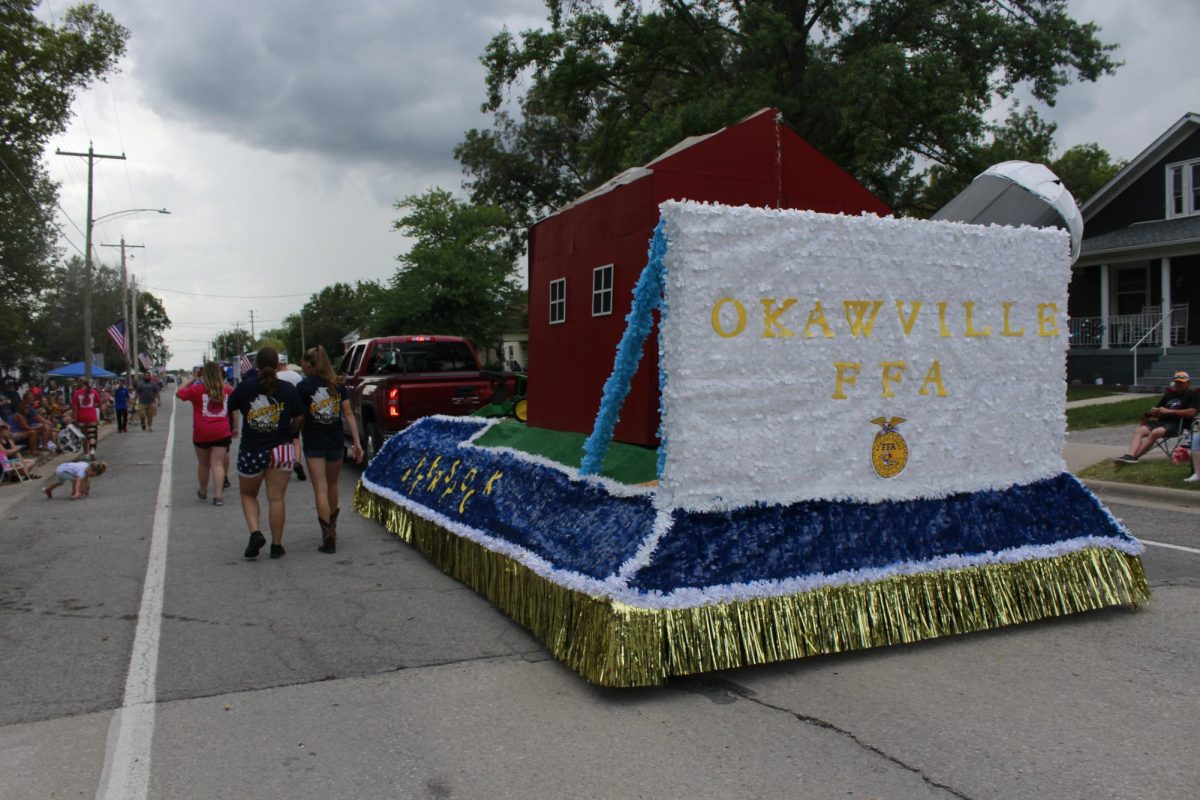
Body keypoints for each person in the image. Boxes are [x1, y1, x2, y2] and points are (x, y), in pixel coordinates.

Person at [229, 347, 304, 559]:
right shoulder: (288, 389)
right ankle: (276, 546)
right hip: (281, 448)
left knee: (248, 494)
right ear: (278, 363)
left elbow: (231, 405)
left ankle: (255, 532)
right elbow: (299, 416)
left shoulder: (246, 387)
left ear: (256, 365)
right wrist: (291, 432)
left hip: (252, 449)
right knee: (276, 498)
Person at [297, 345, 363, 553]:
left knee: (320, 488)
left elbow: (299, 416)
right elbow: (349, 414)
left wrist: (291, 434)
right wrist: (357, 442)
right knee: (333, 485)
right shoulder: (337, 385)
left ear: (309, 363)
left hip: (314, 441)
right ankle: (333, 528)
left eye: (304, 361)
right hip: (335, 440)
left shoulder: (304, 387)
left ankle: (327, 535)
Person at [177, 362, 235, 506]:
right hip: (222, 431)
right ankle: (218, 496)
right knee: (217, 463)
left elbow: (179, 393)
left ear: (203, 374)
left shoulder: (197, 389)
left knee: (204, 464)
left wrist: (193, 379)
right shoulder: (227, 389)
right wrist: (236, 427)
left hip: (202, 432)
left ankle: (203, 491)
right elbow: (235, 407)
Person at [1115, 371, 1200, 464]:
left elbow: (1192, 412)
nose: (1179, 385)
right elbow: (1159, 409)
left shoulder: (1193, 396)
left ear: (1188, 383)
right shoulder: (1169, 395)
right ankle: (1129, 455)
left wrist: (1169, 411)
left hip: (1178, 425)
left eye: (1182, 383)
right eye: (1177, 382)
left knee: (1156, 432)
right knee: (1140, 430)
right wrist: (1155, 411)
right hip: (1162, 421)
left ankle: (1134, 457)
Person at [276, 364, 307, 482]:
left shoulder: (277, 376)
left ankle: (283, 462)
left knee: (283, 439)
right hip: (296, 409)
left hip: (281, 411)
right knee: (296, 438)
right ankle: (297, 461)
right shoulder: (296, 375)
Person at [71, 378, 102, 456]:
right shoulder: (93, 392)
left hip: (81, 417)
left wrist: (73, 418)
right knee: (92, 434)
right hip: (91, 416)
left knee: (84, 435)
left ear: (80, 383)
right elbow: (99, 402)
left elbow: (74, 408)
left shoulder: (76, 393)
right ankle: (92, 450)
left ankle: (86, 453)